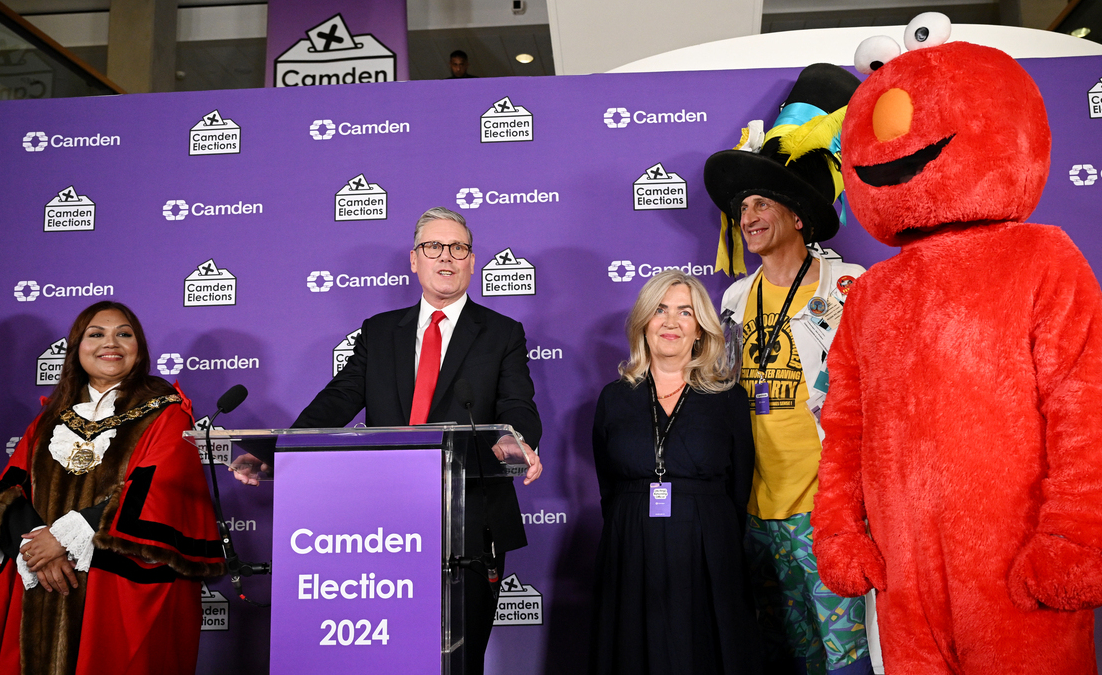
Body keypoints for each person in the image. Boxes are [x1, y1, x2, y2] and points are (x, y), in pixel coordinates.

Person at [291, 207, 542, 675]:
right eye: (433, 247)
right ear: (414, 260)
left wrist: (518, 441)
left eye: (458, 248)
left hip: (471, 521)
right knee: (392, 656)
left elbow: (518, 405)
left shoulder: (502, 333)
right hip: (385, 521)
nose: (446, 257)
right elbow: (337, 400)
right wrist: (282, 453)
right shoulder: (380, 331)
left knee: (459, 662)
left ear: (472, 261)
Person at [703, 63, 875, 675]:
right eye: (742, 206)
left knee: (845, 657)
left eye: (761, 203)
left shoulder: (850, 287)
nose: (746, 216)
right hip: (755, 512)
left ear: (798, 215)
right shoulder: (731, 300)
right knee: (781, 657)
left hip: (827, 511)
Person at [0, 301, 225, 675]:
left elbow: (158, 490)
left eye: (124, 334)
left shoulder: (165, 413)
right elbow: (12, 487)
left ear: (139, 348)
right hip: (41, 581)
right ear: (77, 348)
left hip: (115, 585)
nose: (111, 343)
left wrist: (69, 534)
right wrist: (38, 546)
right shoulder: (48, 420)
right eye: (96, 334)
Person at [590, 270, 760, 675]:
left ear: (700, 329)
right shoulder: (613, 398)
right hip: (630, 544)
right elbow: (606, 483)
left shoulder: (729, 398)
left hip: (709, 546)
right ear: (643, 323)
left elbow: (741, 484)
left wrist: (712, 532)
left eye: (685, 312)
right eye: (660, 310)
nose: (670, 322)